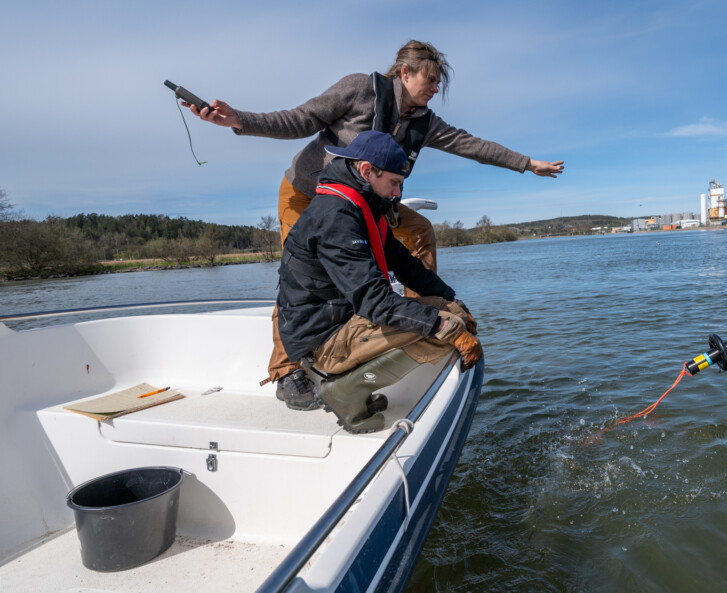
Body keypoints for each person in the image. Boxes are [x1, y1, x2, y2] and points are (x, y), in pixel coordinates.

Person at [187, 40, 562, 386]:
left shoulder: (424, 121)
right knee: (299, 274)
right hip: (306, 194)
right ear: (404, 72)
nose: (435, 89)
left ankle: (417, 315)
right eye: (430, 80)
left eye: (437, 84)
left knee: (420, 231)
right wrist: (239, 120)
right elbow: (299, 119)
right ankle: (285, 370)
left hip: (368, 201)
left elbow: (471, 145)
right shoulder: (359, 90)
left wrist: (527, 164)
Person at [275, 130, 482, 433]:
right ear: (367, 171)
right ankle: (345, 392)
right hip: (322, 342)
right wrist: (445, 325)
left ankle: (358, 386)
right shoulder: (337, 218)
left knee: (452, 312)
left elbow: (407, 266)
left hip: (340, 322)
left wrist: (452, 299)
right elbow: (375, 303)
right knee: (448, 326)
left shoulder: (361, 207)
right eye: (395, 183)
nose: (398, 193)